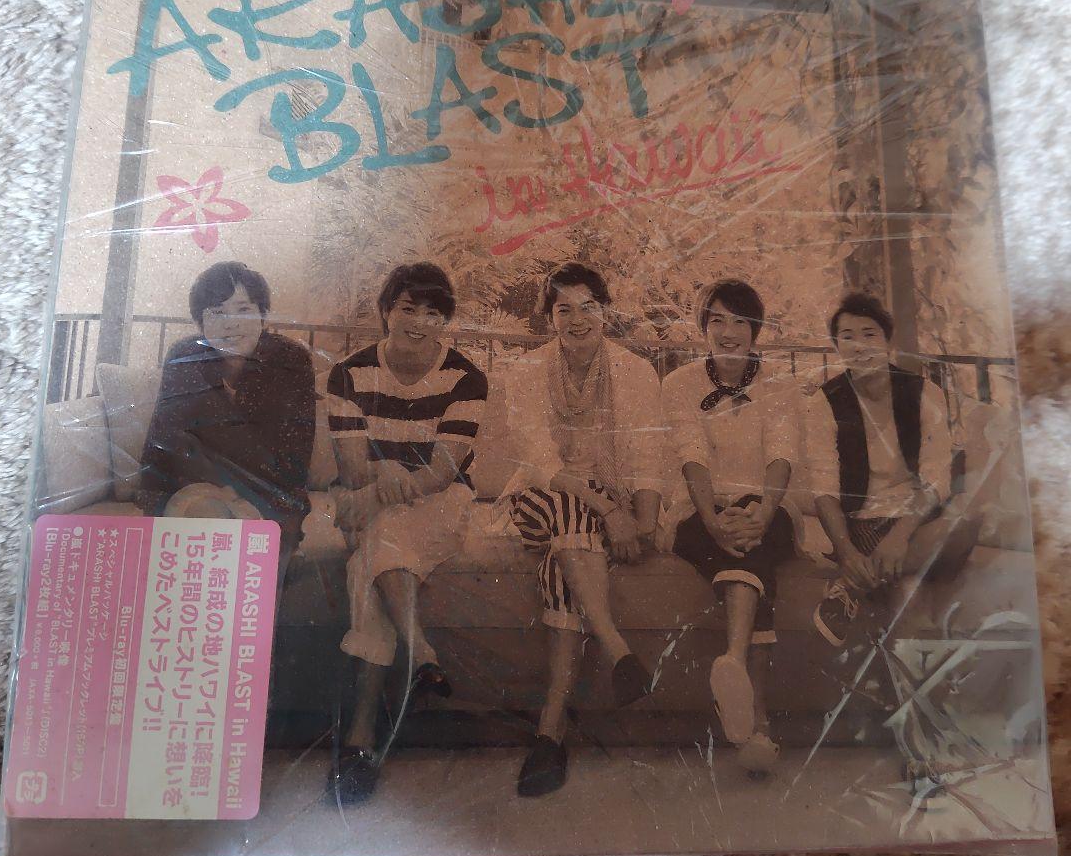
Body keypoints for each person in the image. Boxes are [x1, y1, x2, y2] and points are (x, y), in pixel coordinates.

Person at [326, 262, 488, 805]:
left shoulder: (466, 378)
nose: (418, 322)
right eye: (407, 308)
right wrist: (382, 472)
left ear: (445, 322)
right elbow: (352, 467)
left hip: (440, 504)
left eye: (432, 313)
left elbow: (443, 472)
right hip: (376, 501)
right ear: (385, 311)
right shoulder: (349, 374)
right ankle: (421, 657)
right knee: (381, 547)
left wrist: (380, 487)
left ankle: (359, 740)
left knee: (374, 549)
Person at [500, 262, 664, 798]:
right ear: (549, 319)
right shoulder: (526, 371)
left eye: (588, 306)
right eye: (563, 309)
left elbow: (647, 456)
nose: (577, 319)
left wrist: (642, 522)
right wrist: (608, 511)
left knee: (566, 555)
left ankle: (549, 735)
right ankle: (616, 646)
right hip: (537, 501)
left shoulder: (635, 372)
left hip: (597, 511)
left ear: (605, 312)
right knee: (570, 513)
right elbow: (540, 464)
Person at [661, 279, 802, 776]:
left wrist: (763, 511)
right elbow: (691, 455)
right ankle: (757, 723)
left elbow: (782, 453)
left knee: (755, 541)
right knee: (752, 557)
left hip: (766, 508)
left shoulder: (780, 385)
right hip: (700, 510)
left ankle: (735, 663)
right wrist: (713, 518)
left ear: (755, 329)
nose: (728, 332)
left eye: (740, 321)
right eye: (717, 320)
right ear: (703, 328)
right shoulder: (679, 384)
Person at [805, 293, 975, 648]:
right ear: (837, 347)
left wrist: (900, 538)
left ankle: (849, 588)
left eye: (869, 334)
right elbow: (824, 489)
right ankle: (867, 580)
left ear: (887, 342)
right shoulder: (825, 401)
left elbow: (936, 479)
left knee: (962, 526)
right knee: (907, 590)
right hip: (865, 521)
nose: (859, 345)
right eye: (847, 336)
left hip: (917, 518)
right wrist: (846, 552)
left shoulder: (924, 393)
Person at [137, 261, 316, 555]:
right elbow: (165, 444)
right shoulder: (184, 357)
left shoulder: (290, 360)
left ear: (262, 315)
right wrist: (218, 493)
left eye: (243, 310)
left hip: (270, 501)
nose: (230, 324)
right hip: (193, 495)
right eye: (217, 313)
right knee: (207, 517)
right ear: (200, 322)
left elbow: (294, 456)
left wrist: (240, 496)